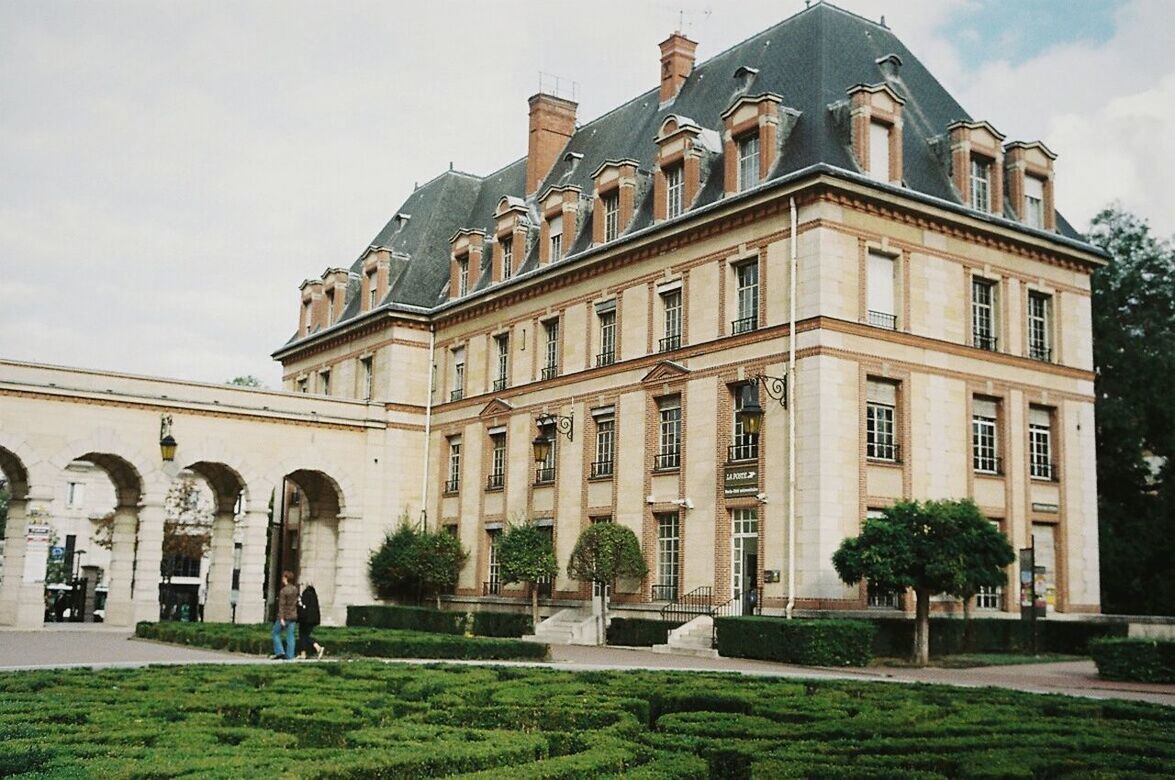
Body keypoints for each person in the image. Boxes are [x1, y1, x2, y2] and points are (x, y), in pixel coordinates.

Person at [271, 570, 298, 660]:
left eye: (283, 577)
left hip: (285, 616)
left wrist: (281, 618)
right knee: (290, 636)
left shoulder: (284, 591)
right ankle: (290, 655)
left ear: (286, 578)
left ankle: (280, 652)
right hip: (293, 616)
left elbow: (282, 605)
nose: (282, 579)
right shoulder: (295, 589)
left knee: (275, 633)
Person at [296, 584, 325, 660]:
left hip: (305, 619)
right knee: (305, 636)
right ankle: (303, 653)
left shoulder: (306, 595)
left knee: (303, 636)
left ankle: (317, 647)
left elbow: (303, 607)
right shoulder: (314, 595)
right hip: (313, 619)